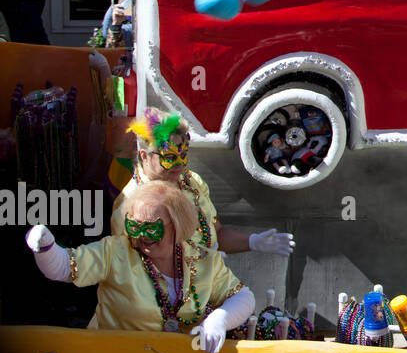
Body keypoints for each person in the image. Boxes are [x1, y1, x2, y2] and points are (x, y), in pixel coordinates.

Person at [26, 180, 255, 352]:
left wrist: (219, 319)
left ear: (177, 225)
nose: (142, 236)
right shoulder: (115, 251)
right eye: (134, 227)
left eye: (152, 228)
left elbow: (243, 296)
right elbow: (64, 267)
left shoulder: (202, 258)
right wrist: (45, 246)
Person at [110, 107, 295, 258]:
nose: (179, 165)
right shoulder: (130, 205)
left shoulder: (192, 181)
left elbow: (216, 234)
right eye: (170, 157)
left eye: (183, 155)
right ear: (145, 156)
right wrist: (198, 262)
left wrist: (252, 242)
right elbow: (135, 270)